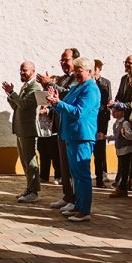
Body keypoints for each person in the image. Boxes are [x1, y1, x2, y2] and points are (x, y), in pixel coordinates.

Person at [46, 57, 100, 222]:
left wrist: (58, 103)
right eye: (75, 70)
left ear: (90, 72)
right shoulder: (78, 87)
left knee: (82, 174)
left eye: (80, 71)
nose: (76, 73)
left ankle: (85, 210)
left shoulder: (91, 89)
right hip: (70, 135)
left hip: (82, 136)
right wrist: (55, 101)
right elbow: (64, 107)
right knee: (75, 174)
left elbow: (78, 112)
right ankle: (78, 204)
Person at [38, 48, 79, 211]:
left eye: (66, 60)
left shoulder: (77, 80)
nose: (63, 63)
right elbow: (56, 99)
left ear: (75, 60)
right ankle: (67, 196)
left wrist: (50, 83)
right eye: (61, 60)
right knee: (63, 166)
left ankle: (75, 199)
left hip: (71, 128)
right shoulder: (62, 78)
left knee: (72, 167)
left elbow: (68, 95)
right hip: (60, 126)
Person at [2, 61, 43, 203]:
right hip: (21, 129)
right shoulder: (25, 86)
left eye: (24, 70)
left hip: (29, 129)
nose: (21, 73)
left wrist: (13, 93)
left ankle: (34, 191)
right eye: (20, 70)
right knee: (25, 160)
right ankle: (29, 187)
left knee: (31, 161)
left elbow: (24, 104)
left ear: (33, 70)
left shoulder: (35, 86)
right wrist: (10, 94)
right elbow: (17, 106)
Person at [107, 105, 132, 196]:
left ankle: (123, 189)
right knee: (121, 169)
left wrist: (125, 133)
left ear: (122, 112)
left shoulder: (125, 123)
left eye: (115, 111)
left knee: (125, 170)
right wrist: (106, 137)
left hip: (126, 149)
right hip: (119, 149)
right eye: (112, 111)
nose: (113, 113)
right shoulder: (116, 123)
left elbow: (130, 136)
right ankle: (122, 188)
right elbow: (116, 136)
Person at [92, 60, 112, 188]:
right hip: (91, 119)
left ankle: (100, 176)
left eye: (95, 69)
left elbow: (108, 100)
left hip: (101, 118)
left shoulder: (105, 83)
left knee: (100, 148)